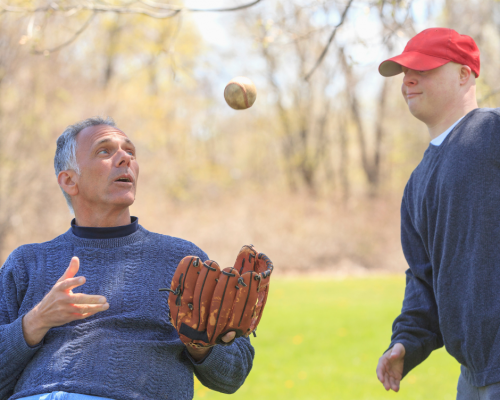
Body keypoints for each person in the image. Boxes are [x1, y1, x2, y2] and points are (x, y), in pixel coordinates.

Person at [0, 117, 254, 400]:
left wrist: (202, 345)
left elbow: (234, 375)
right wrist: (35, 321)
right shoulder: (26, 262)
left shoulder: (182, 261)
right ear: (70, 180)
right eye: (104, 151)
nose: (125, 158)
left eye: (130, 151)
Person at [375, 27, 500, 399]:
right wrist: (406, 343)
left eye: (424, 69)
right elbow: (424, 280)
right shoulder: (417, 182)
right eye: (404, 72)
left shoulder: (492, 131)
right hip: (474, 376)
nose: (409, 79)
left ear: (465, 73)